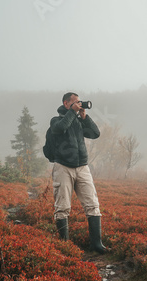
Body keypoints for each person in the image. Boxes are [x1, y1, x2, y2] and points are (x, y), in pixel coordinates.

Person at [49, 92, 108, 254]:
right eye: (75, 103)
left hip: (82, 167)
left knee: (93, 205)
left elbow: (95, 133)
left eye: (79, 102)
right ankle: (65, 246)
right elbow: (60, 128)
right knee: (62, 207)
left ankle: (97, 244)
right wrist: (72, 113)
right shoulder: (56, 120)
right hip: (63, 167)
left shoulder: (78, 121)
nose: (78, 104)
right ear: (66, 103)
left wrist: (84, 116)